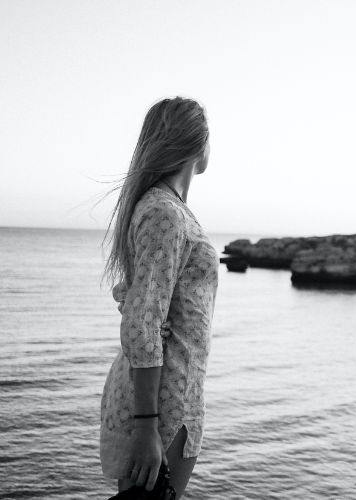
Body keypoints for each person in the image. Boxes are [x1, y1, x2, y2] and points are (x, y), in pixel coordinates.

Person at [99, 97, 218, 499]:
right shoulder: (164, 212)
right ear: (198, 145)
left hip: (173, 396)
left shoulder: (167, 209)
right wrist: (147, 426)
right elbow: (142, 321)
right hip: (160, 405)